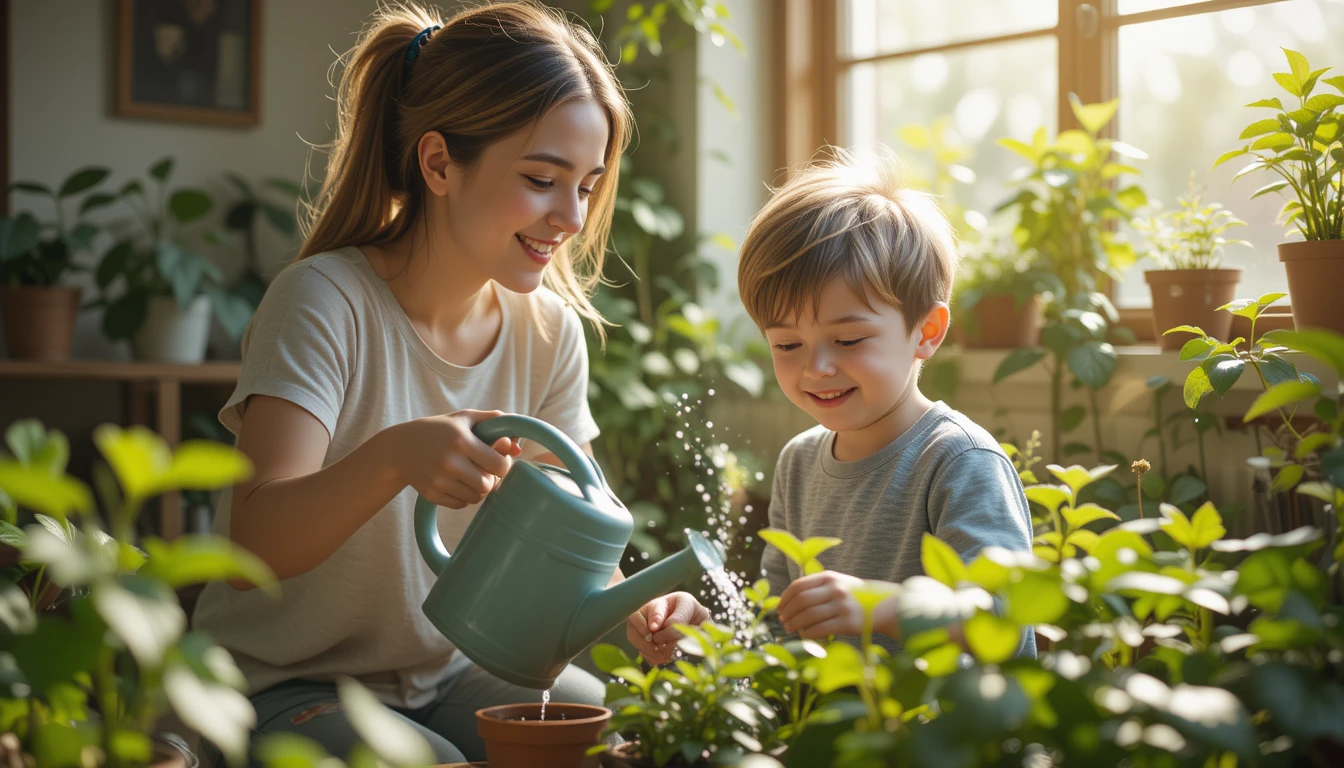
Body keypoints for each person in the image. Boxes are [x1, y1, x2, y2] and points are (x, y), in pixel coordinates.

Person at [191, 4, 707, 764]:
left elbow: (568, 546)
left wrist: (635, 605)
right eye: (541, 179)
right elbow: (256, 543)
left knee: (630, 741)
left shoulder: (550, 332)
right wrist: (393, 460)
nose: (570, 216)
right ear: (438, 164)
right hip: (284, 684)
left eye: (589, 187)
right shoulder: (323, 302)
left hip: (455, 671)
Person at [736, 148, 1035, 658]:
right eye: (787, 345)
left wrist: (882, 608)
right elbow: (777, 624)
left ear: (928, 332)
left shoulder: (958, 462)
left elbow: (1005, 618)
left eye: (849, 340)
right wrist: (708, 636)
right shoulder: (799, 462)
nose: (817, 368)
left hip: (942, 735)